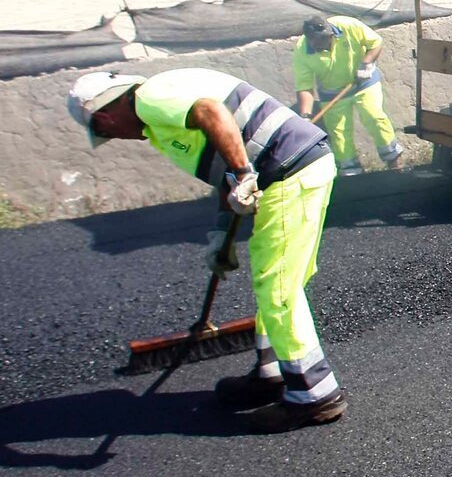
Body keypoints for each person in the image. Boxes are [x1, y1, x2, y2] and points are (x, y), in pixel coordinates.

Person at [67, 68, 346, 433]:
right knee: (277, 283)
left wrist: (243, 174)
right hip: (296, 168)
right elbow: (224, 172)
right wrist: (220, 236)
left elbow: (211, 112)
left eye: (105, 130)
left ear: (104, 115)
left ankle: (314, 395)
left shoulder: (150, 98)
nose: (114, 136)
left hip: (288, 170)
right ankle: (273, 371)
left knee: (278, 289)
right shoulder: (160, 109)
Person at [293, 15, 402, 176]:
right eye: (319, 41)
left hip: (363, 82)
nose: (325, 42)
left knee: (374, 117)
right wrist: (305, 117)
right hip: (331, 93)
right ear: (310, 39)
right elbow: (305, 87)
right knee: (340, 137)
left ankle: (394, 164)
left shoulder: (348, 26)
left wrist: (367, 63)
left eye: (327, 38)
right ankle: (352, 174)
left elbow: (376, 43)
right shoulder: (302, 51)